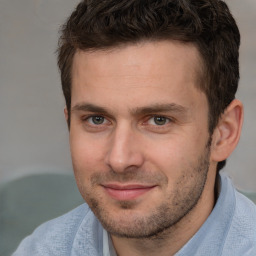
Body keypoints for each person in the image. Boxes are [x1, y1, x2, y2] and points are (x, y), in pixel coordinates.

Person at [13, 0, 256, 255]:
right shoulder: (39, 249)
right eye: (97, 119)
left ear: (223, 133)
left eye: (158, 120)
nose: (119, 159)